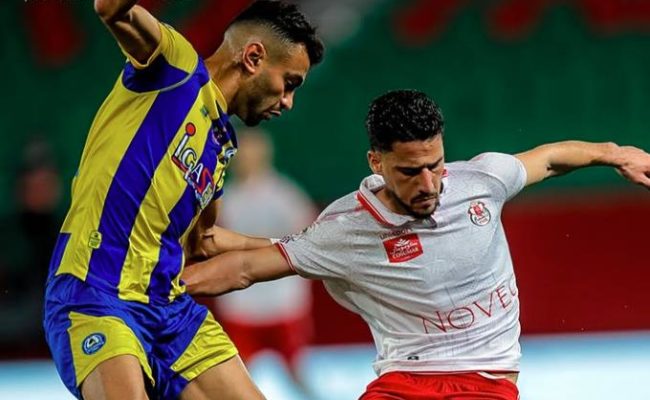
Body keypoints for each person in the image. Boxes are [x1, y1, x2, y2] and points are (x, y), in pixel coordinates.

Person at [182, 89, 650, 400]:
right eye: (410, 171)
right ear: (376, 162)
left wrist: (614, 154)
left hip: (485, 384)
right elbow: (247, 268)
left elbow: (548, 159)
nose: (429, 183)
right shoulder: (346, 228)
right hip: (402, 383)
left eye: (436, 165)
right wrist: (163, 289)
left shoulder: (481, 181)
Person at [43, 0, 323, 399]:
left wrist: (299, 249)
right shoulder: (175, 67)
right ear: (253, 57)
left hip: (170, 309)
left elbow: (203, 242)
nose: (288, 101)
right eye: (289, 82)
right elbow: (110, 8)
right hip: (97, 292)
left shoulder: (220, 146)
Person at [215, 128, 317, 375]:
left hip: (283, 301)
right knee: (240, 373)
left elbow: (311, 235)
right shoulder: (226, 199)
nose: (245, 158)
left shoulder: (285, 196)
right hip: (241, 303)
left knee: (297, 371)